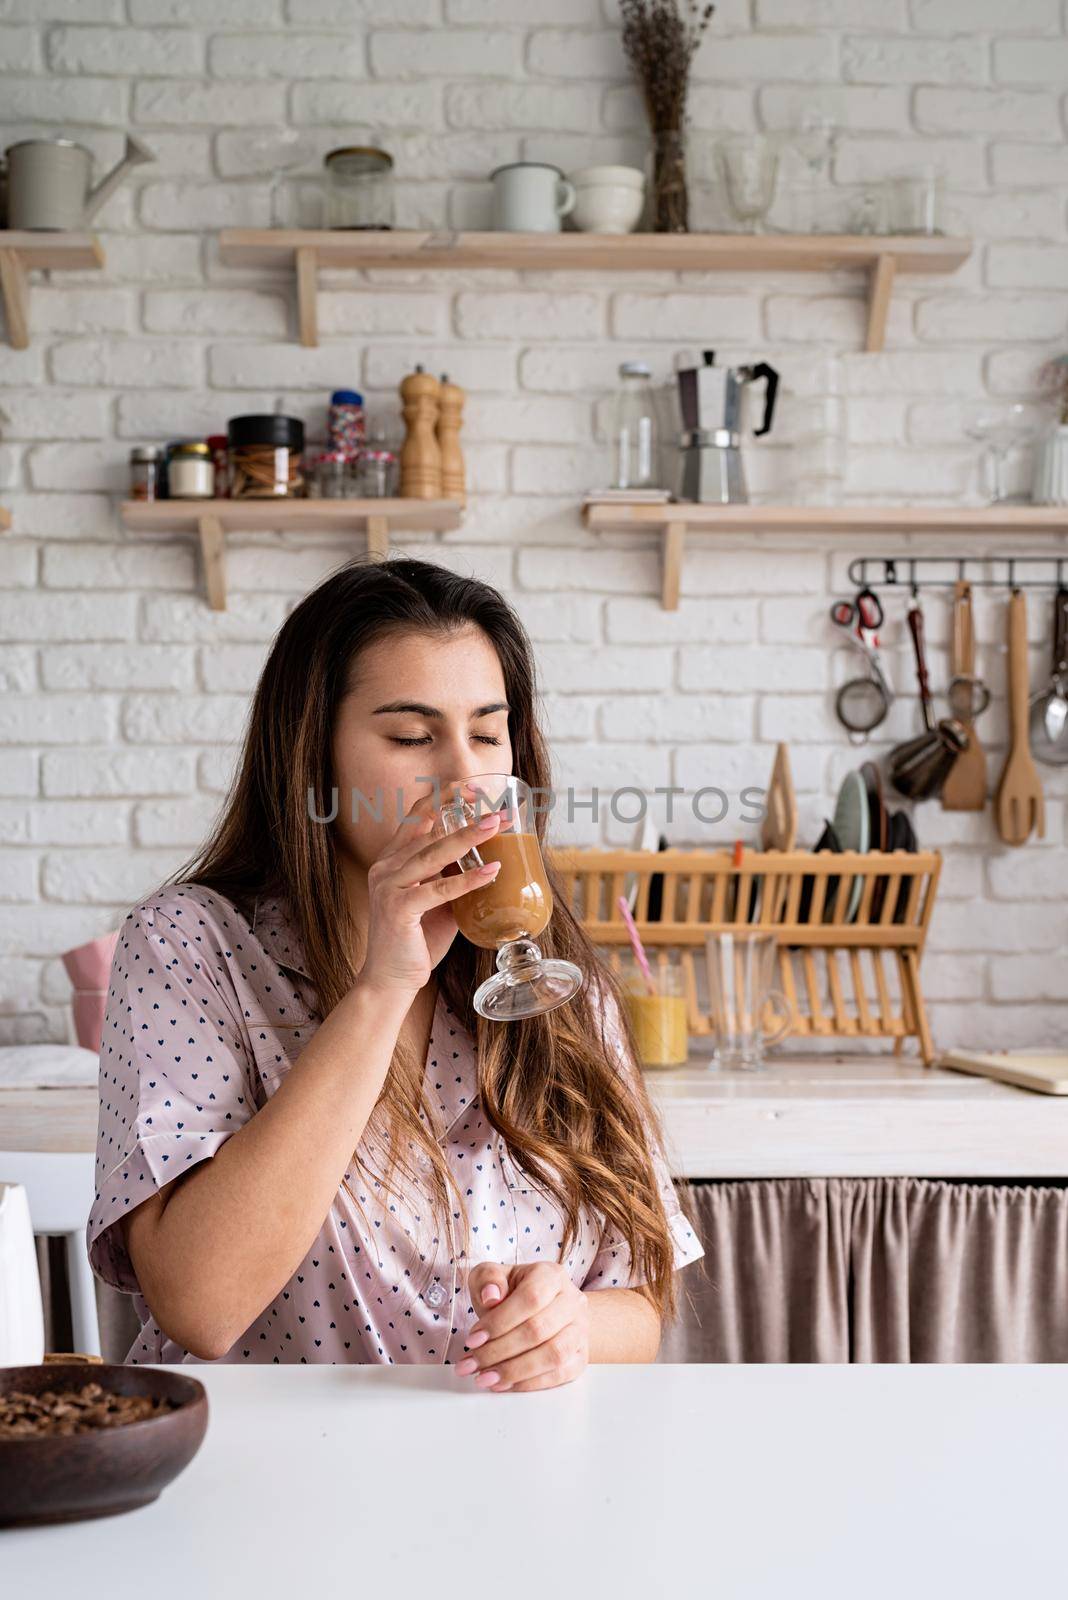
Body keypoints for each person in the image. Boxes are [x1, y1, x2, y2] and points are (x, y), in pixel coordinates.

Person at [86, 556, 704, 1389]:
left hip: (501, 1481)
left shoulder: (558, 981)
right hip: (264, 1481)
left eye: (488, 734)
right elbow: (202, 1304)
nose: (465, 777)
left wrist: (566, 1327)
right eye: (412, 737)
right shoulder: (190, 945)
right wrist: (382, 989)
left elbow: (641, 1303)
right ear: (315, 759)